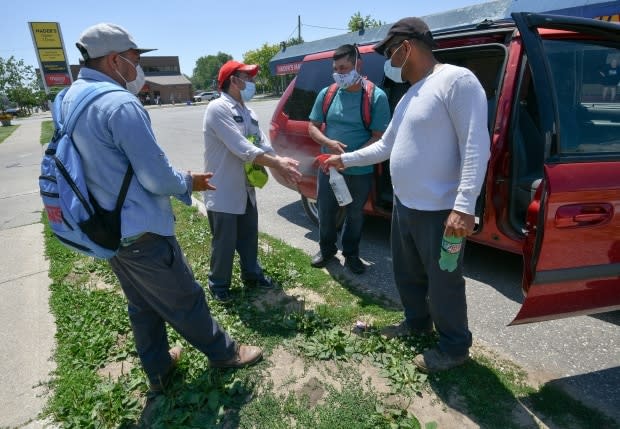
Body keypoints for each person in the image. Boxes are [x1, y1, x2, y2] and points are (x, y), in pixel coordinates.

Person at [68, 23, 263, 396]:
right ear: (114, 60)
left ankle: (158, 371)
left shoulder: (71, 98)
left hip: (104, 226)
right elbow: (156, 177)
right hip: (141, 229)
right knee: (185, 297)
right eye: (135, 59)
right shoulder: (119, 104)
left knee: (141, 303)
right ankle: (225, 353)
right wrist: (189, 182)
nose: (138, 67)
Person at [326, 17, 490, 372]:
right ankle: (417, 323)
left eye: (389, 51)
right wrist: (344, 158)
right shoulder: (412, 93)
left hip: (441, 211)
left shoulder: (457, 81)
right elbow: (386, 145)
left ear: (407, 47)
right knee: (407, 273)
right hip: (405, 206)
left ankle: (454, 347)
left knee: (444, 281)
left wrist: (464, 206)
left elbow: (476, 147)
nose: (388, 59)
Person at [202, 60, 302, 302]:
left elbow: (261, 144)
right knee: (224, 242)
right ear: (233, 81)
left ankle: (252, 275)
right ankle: (219, 284)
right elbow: (242, 147)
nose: (252, 83)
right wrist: (277, 164)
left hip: (246, 187)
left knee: (248, 237)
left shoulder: (249, 112)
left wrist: (280, 160)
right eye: (247, 77)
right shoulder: (217, 108)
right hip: (223, 188)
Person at [308, 44, 390, 274]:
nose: (339, 73)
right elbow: (312, 127)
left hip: (359, 171)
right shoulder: (328, 93)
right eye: (336, 69)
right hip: (329, 170)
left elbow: (379, 138)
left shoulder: (376, 96)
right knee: (326, 211)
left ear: (358, 65)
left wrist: (350, 158)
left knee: (355, 215)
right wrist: (329, 143)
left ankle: (351, 254)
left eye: (344, 68)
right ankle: (326, 250)